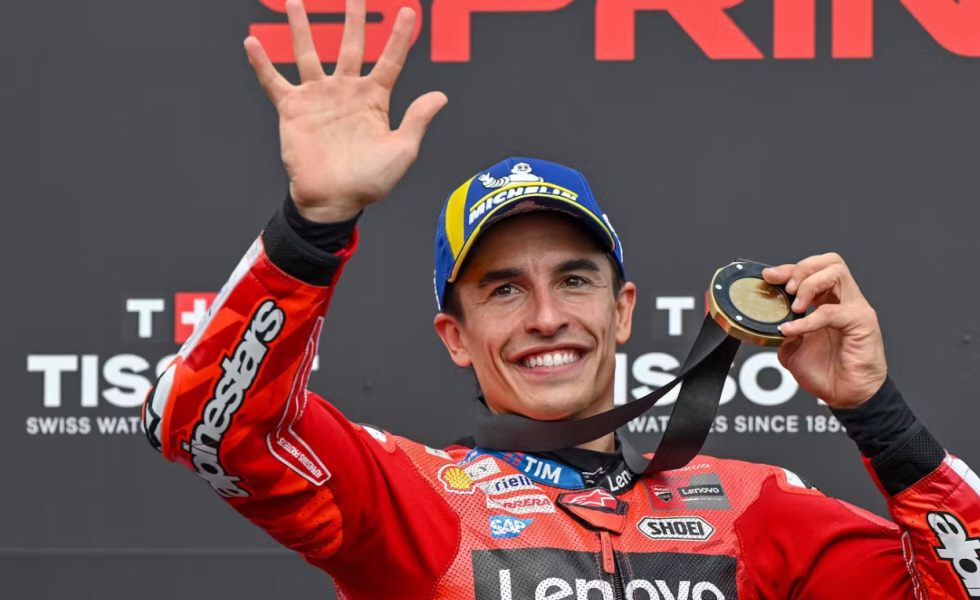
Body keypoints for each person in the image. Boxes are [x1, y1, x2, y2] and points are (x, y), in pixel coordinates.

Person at [141, 0, 980, 597]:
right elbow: (205, 421)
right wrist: (312, 226)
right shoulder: (412, 499)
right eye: (504, 289)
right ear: (454, 335)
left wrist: (877, 413)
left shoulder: (751, 509)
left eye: (575, 279)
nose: (547, 317)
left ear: (623, 309)